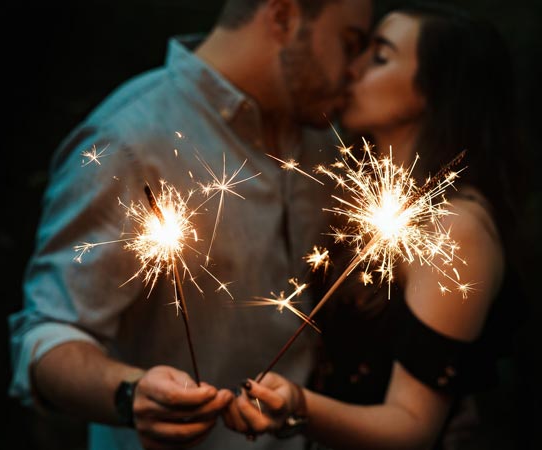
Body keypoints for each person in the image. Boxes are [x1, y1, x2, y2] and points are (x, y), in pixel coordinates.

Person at [8, 1, 372, 449]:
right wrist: (129, 394)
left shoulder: (322, 140)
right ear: (282, 17)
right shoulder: (128, 140)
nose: (356, 70)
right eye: (349, 44)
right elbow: (45, 335)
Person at [223, 2, 526, 449]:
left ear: (434, 91)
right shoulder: (367, 191)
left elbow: (413, 427)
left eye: (379, 57)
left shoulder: (453, 228)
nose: (351, 68)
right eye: (359, 49)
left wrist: (299, 404)